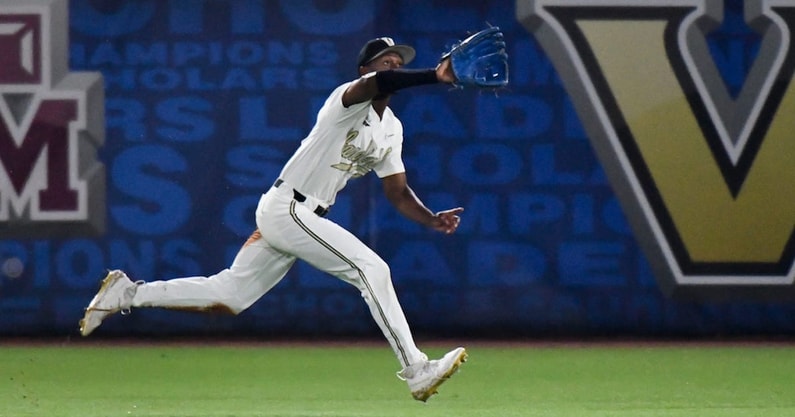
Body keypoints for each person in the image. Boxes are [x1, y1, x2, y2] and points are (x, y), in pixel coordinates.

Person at [80, 36, 467, 402]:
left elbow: (397, 191)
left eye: (400, 61)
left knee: (229, 295)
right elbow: (380, 83)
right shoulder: (347, 99)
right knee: (372, 269)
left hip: (299, 216)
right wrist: (433, 75)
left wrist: (430, 219)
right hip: (290, 208)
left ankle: (126, 293)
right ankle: (416, 368)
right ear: (365, 68)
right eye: (387, 61)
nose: (395, 65)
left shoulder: (391, 129)